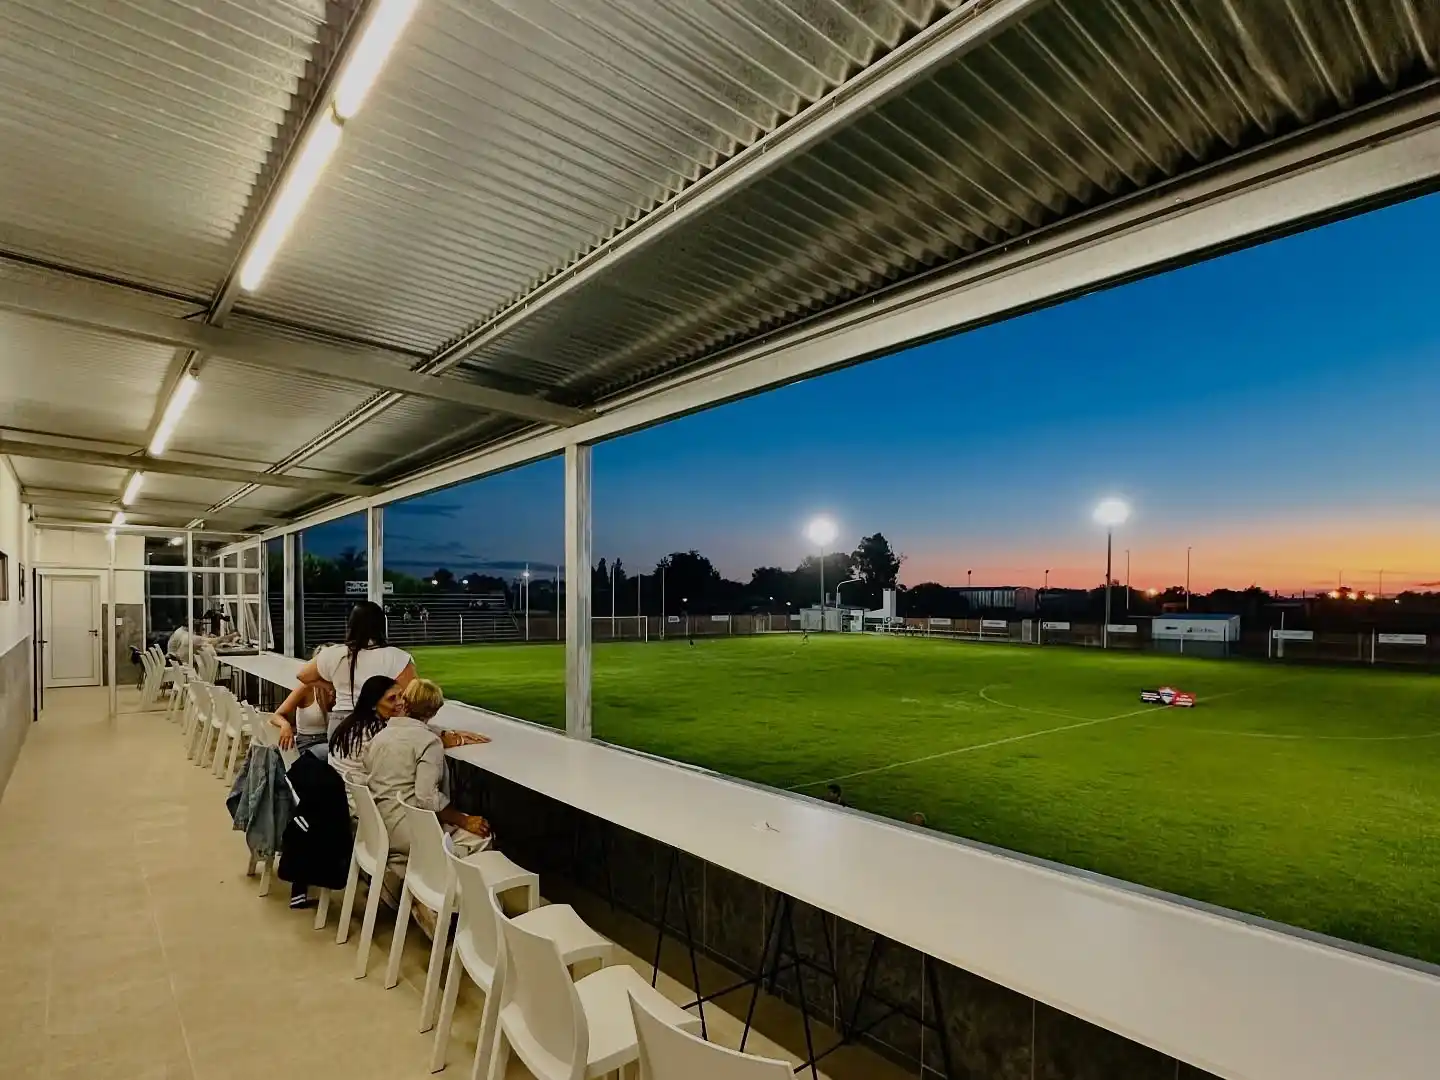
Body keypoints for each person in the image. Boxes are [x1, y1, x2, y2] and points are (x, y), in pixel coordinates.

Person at [363, 679, 491, 900]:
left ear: (405, 701)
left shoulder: (379, 737)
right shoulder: (428, 743)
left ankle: (408, 879)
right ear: (433, 712)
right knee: (480, 837)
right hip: (406, 830)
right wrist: (463, 820)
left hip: (377, 825)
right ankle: (443, 901)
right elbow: (427, 799)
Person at [298, 601, 415, 740]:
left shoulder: (334, 653)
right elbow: (413, 694)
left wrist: (330, 686)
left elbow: (303, 675)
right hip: (376, 722)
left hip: (340, 723)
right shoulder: (396, 656)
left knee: (337, 762)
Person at [327, 675, 404, 788]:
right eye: (392, 699)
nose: (400, 702)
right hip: (357, 798)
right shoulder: (376, 732)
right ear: (373, 705)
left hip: (342, 791)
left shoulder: (353, 723)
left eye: (401, 696)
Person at [270, 647, 334, 758]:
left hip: (330, 742)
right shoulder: (307, 688)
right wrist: (285, 725)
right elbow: (275, 716)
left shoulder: (339, 687)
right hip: (308, 744)